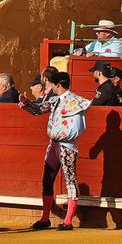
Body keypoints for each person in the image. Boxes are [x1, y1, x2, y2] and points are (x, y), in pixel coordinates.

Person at [20, 70, 91, 231]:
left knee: (70, 180)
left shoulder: (76, 102)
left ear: (58, 85)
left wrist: (65, 137)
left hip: (67, 145)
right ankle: (45, 218)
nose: (50, 86)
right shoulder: (55, 100)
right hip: (54, 144)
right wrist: (25, 102)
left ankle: (67, 221)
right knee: (47, 180)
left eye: (52, 84)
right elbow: (37, 109)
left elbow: (78, 128)